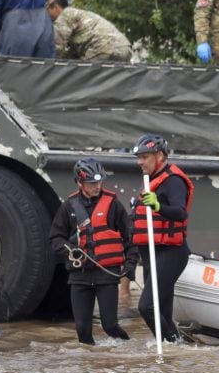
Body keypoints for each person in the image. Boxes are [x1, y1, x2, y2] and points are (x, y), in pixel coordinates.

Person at [49, 158, 139, 344]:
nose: (97, 186)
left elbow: (130, 237)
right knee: (82, 330)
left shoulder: (113, 205)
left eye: (99, 182)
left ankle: (129, 354)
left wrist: (130, 263)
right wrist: (70, 250)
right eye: (92, 183)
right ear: (79, 183)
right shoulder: (68, 207)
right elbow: (56, 238)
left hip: (106, 276)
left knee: (110, 326)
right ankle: (89, 369)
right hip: (79, 277)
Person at [129, 134, 193, 343]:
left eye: (145, 157)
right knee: (162, 312)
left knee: (146, 306)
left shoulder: (173, 181)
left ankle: (173, 345)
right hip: (151, 254)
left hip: (170, 253)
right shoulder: (151, 179)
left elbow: (180, 212)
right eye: (139, 157)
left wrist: (158, 206)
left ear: (159, 155)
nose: (140, 162)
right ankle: (172, 353)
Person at [46, 0, 133, 62]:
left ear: (55, 7)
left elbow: (57, 48)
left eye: (48, 11)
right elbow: (72, 53)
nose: (48, 15)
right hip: (124, 48)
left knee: (80, 77)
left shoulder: (65, 15)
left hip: (102, 48)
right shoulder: (79, 14)